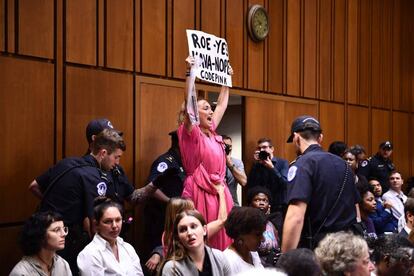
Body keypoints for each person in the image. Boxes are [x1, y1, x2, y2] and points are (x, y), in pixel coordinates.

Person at [177, 56, 234, 250]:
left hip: (219, 192)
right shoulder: (192, 134)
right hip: (199, 191)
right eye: (206, 108)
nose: (211, 111)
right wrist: (190, 72)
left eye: (211, 108)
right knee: (202, 238)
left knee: (225, 238)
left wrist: (227, 80)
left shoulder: (213, 132)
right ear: (195, 113)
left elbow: (222, 105)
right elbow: (190, 101)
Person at [282, 115, 360, 251]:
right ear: (320, 138)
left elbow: (296, 216)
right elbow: (356, 209)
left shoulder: (302, 165)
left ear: (296, 137)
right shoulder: (344, 165)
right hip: (348, 246)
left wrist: (286, 257)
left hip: (320, 249)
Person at [146, 187, 227, 273]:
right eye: (192, 209)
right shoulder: (193, 233)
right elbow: (221, 220)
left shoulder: (167, 234)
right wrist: (221, 193)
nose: (196, 211)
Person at [142, 130, 185, 271]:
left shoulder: (183, 162)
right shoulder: (165, 161)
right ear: (180, 144)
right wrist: (169, 202)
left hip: (176, 218)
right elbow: (151, 188)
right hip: (161, 217)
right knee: (158, 261)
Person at [77, 197, 144, 275]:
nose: (115, 225)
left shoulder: (128, 248)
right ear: (96, 224)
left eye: (118, 220)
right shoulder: (89, 254)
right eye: (108, 221)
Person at [160, 210, 231, 275]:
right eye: (183, 230)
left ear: (204, 230)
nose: (189, 233)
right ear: (178, 237)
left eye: (193, 227)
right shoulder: (172, 268)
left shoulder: (220, 257)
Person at [10, 211, 72, 276]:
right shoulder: (22, 272)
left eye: (64, 229)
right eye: (56, 230)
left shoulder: (62, 264)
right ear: (40, 235)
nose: (64, 234)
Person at [247, 138, 289, 233]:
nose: (262, 150)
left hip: (278, 207)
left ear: (272, 149)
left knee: (278, 234)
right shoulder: (257, 165)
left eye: (265, 147)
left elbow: (285, 184)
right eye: (260, 148)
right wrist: (256, 165)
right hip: (260, 207)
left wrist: (272, 168)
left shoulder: (282, 163)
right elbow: (251, 187)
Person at [224, 207, 266, 274]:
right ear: (240, 236)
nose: (263, 239)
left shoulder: (252, 253)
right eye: (258, 234)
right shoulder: (229, 261)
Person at [247, 186, 280, 267]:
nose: (261, 203)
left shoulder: (273, 224)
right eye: (257, 200)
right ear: (250, 204)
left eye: (264, 200)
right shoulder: (247, 224)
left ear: (269, 205)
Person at [222, 135, 247, 206]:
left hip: (233, 204)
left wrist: (230, 164)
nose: (228, 149)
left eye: (229, 146)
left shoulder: (237, 163)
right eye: (225, 146)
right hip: (217, 204)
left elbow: (243, 182)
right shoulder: (211, 162)